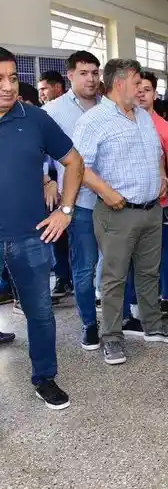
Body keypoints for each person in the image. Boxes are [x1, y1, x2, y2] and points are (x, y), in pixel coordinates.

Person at [73, 58, 168, 367]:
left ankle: (152, 324)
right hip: (116, 213)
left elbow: (154, 154)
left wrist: (161, 178)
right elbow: (78, 165)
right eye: (137, 83)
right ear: (120, 83)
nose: (142, 89)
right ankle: (111, 337)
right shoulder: (94, 120)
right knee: (114, 278)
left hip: (150, 210)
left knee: (148, 272)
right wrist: (106, 192)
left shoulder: (144, 117)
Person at [0, 46, 85, 409]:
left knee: (39, 313)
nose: (7, 86)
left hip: (29, 236)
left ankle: (45, 377)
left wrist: (65, 209)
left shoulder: (34, 119)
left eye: (12, 78)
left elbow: (73, 160)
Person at [41, 50, 103, 350]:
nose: (91, 78)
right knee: (84, 266)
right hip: (80, 203)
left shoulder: (109, 105)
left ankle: (120, 319)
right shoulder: (53, 110)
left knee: (118, 264)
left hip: (115, 201)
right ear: (70, 75)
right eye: (84, 73)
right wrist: (48, 180)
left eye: (95, 72)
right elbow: (38, 153)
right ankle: (90, 323)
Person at [120, 71, 168, 328]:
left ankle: (165, 297)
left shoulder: (165, 129)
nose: (140, 93)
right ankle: (132, 306)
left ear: (155, 94)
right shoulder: (123, 124)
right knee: (131, 260)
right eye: (137, 88)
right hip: (128, 206)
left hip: (160, 205)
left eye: (146, 89)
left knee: (163, 255)